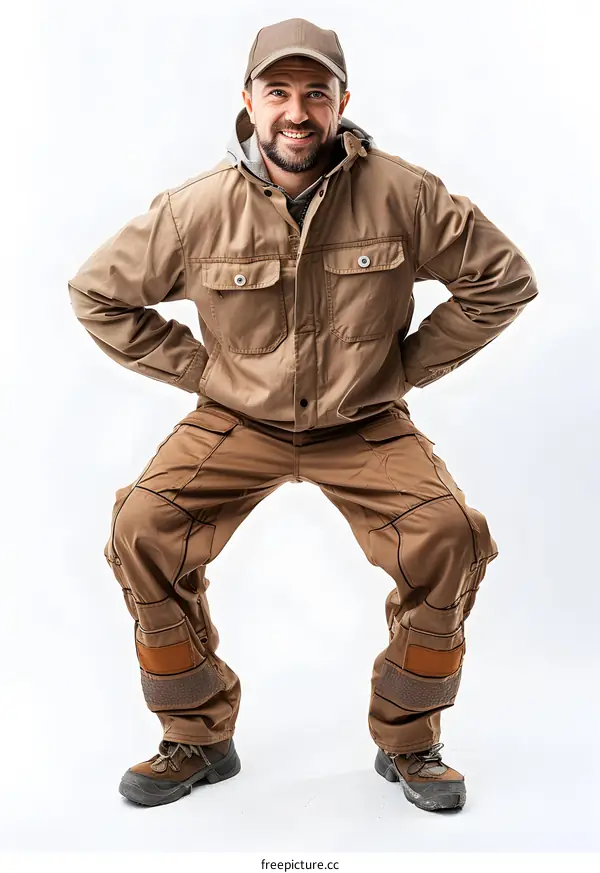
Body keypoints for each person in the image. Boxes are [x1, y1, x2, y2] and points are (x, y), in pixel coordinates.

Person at [68, 17, 538, 811]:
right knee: (141, 526)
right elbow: (97, 293)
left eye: (315, 93)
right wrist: (203, 370)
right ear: (247, 103)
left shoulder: (404, 193)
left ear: (342, 101)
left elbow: (503, 281)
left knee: (451, 536)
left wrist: (404, 366)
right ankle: (196, 734)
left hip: (363, 423)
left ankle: (412, 738)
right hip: (236, 424)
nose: (296, 111)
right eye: (277, 92)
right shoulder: (195, 211)